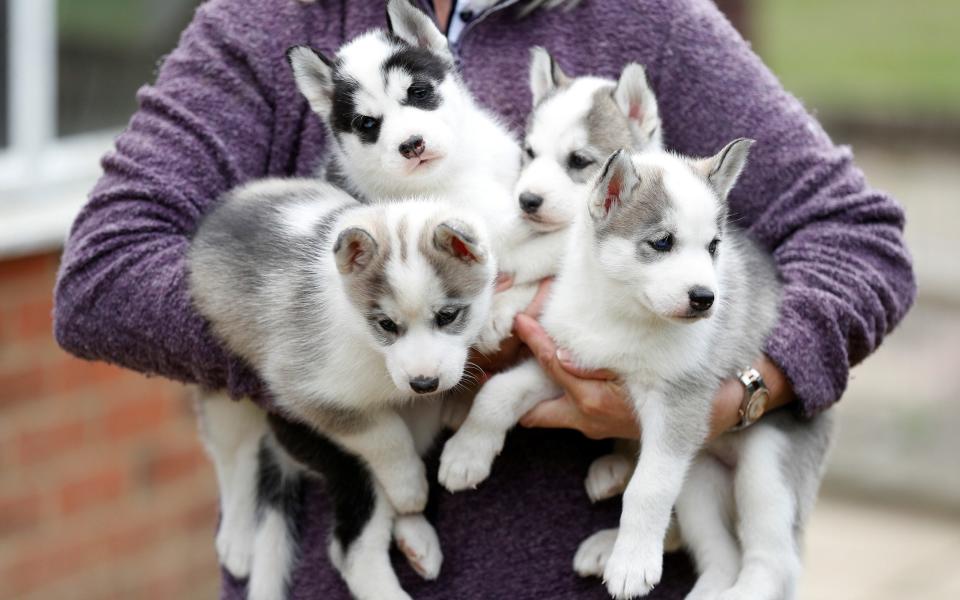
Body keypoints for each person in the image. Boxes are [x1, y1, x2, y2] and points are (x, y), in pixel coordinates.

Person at [53, 0, 916, 597]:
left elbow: (856, 237)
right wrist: (382, 339)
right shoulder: (271, 23)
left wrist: (743, 391)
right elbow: (106, 274)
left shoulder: (645, 21)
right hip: (339, 570)